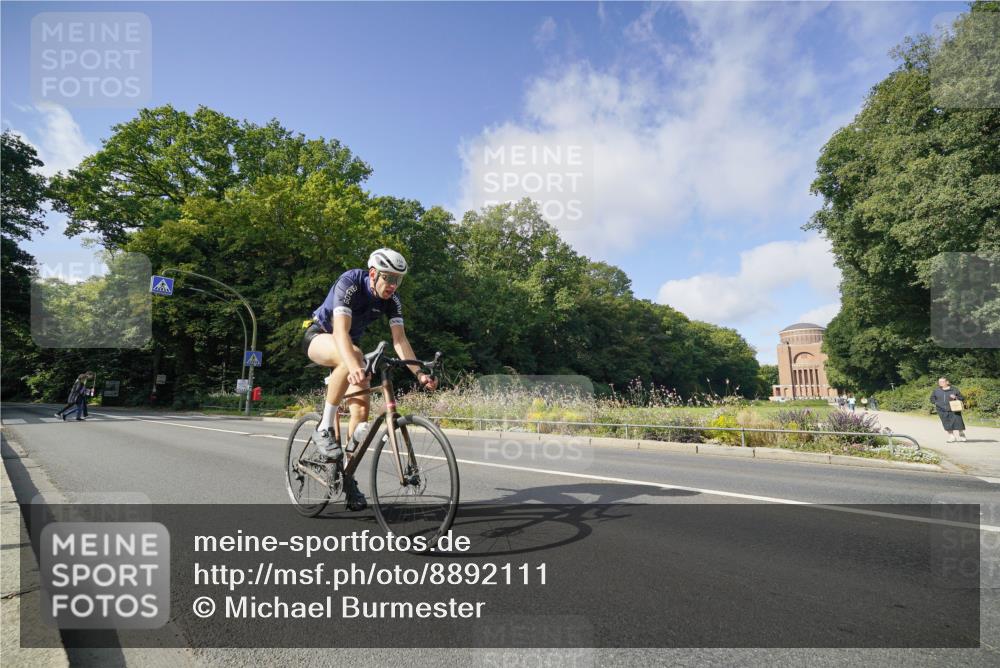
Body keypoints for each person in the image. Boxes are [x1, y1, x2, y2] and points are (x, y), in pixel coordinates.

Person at [302, 248, 438, 510]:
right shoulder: (350, 283)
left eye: (398, 280)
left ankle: (347, 475)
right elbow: (341, 332)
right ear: (373, 273)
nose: (392, 285)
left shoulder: (392, 299)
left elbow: (399, 340)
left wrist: (419, 373)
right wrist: (353, 363)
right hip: (319, 336)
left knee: (362, 410)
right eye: (388, 278)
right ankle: (323, 427)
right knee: (353, 355)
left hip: (347, 347)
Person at [930, 377, 967, 443]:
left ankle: (961, 434)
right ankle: (952, 437)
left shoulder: (954, 389)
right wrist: (936, 402)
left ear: (947, 382)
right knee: (946, 423)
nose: (940, 383)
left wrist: (956, 397)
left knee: (958, 422)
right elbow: (932, 398)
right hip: (941, 409)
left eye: (942, 382)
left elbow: (962, 398)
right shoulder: (936, 390)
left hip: (954, 409)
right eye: (939, 382)